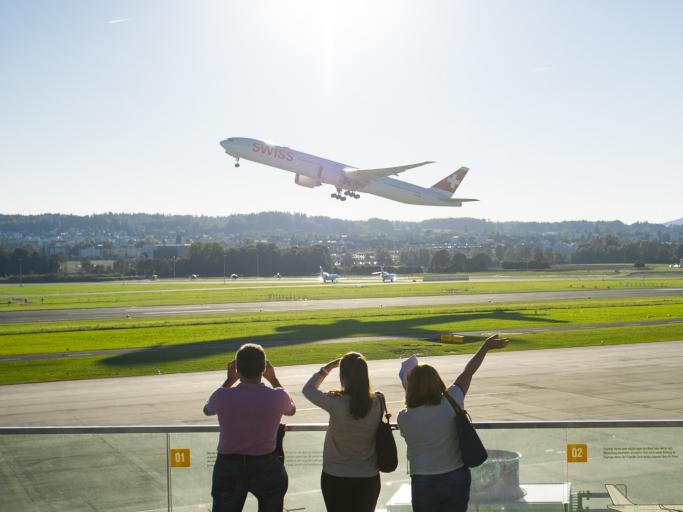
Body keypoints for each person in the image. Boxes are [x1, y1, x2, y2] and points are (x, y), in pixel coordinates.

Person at [397, 334, 510, 512]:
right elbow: (468, 372)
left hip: (423, 480)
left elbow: (412, 409)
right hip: (456, 475)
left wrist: (410, 387)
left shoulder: (404, 417)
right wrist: (485, 347)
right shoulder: (452, 399)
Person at [203, 343, 296, 512]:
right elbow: (292, 410)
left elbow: (207, 410)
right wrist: (273, 379)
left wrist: (229, 380)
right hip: (265, 463)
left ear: (237, 369)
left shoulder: (222, 395)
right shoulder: (277, 395)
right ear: (264, 368)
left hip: (229, 464)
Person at [302, 352, 383, 512]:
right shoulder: (378, 402)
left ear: (343, 376)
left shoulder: (335, 402)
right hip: (367, 475)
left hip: (335, 475)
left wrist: (328, 368)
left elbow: (308, 389)